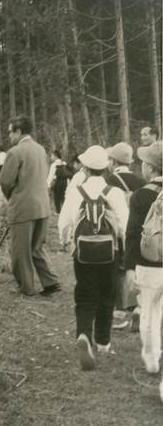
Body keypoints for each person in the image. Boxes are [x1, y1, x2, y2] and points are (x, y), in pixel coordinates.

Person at [58, 145, 129, 371]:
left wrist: (65, 242)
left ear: (86, 169)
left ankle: (84, 335)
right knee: (107, 295)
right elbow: (124, 226)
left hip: (83, 252)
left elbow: (64, 223)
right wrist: (124, 252)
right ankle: (103, 342)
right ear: (106, 169)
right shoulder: (114, 192)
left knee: (85, 292)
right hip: (110, 253)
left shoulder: (75, 191)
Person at [0, 115, 60, 296]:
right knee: (37, 247)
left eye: (10, 132)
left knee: (21, 251)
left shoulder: (14, 152)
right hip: (42, 206)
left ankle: (26, 287)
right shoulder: (41, 149)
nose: (9, 136)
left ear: (18, 131)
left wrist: (13, 197)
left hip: (23, 207)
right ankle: (50, 282)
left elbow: (5, 182)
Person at [125, 140, 163, 400]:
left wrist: (129, 268)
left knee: (148, 312)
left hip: (147, 264)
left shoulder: (141, 195)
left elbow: (131, 234)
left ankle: (151, 359)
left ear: (150, 167)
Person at [106, 142, 146, 329]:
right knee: (138, 267)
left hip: (118, 231)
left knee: (118, 270)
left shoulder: (109, 181)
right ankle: (138, 306)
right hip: (140, 230)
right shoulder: (141, 181)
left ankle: (120, 309)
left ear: (113, 161)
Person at [47, 150, 68, 214]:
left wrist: (48, 184)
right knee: (63, 197)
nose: (51, 157)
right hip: (64, 182)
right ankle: (65, 211)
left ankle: (58, 212)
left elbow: (51, 175)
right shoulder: (64, 163)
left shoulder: (54, 165)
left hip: (57, 182)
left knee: (57, 198)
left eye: (52, 156)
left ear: (55, 156)